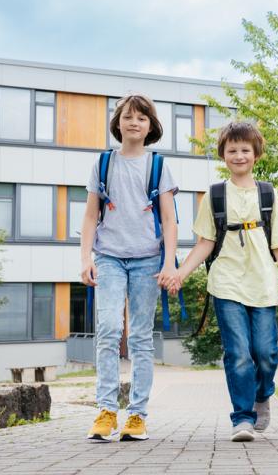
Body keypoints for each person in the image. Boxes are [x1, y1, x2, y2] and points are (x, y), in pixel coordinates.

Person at [167, 121, 278, 442]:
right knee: (238, 352)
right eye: (232, 150)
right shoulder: (214, 195)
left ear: (256, 155)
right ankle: (242, 418)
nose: (239, 155)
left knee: (265, 353)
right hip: (226, 282)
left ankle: (263, 394)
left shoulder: (268, 193)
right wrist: (181, 273)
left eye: (245, 150)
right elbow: (204, 243)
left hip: (264, 282)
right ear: (223, 155)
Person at [80, 93, 178, 442]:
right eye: (127, 116)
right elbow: (91, 215)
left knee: (139, 338)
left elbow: (169, 219)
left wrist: (169, 263)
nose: (134, 122)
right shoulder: (103, 163)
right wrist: (85, 258)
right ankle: (106, 411)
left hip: (148, 261)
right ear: (117, 123)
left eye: (141, 117)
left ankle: (137, 415)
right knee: (107, 329)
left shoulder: (158, 165)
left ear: (151, 126)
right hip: (108, 257)